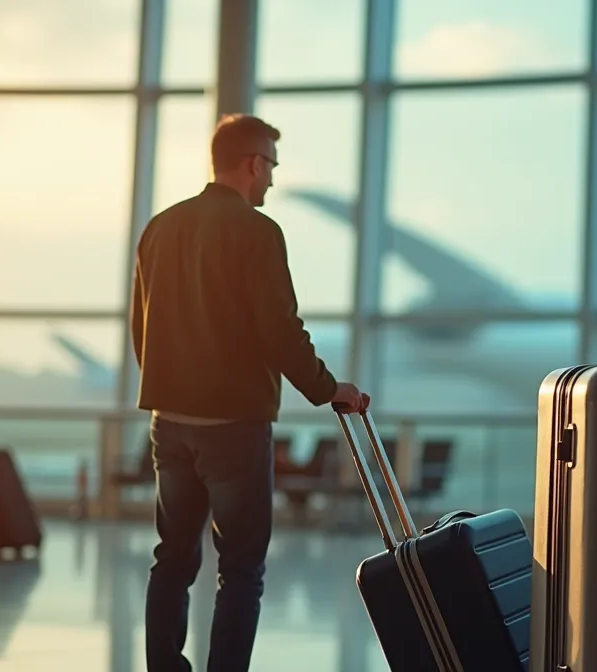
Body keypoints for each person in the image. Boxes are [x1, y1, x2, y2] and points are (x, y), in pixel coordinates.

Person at [133, 113, 371, 672]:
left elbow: (142, 327)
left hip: (169, 422)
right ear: (252, 163)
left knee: (171, 558)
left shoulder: (160, 227)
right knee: (240, 569)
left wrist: (168, 385)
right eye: (271, 167)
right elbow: (279, 331)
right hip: (233, 428)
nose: (271, 181)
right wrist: (327, 388)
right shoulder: (258, 233)